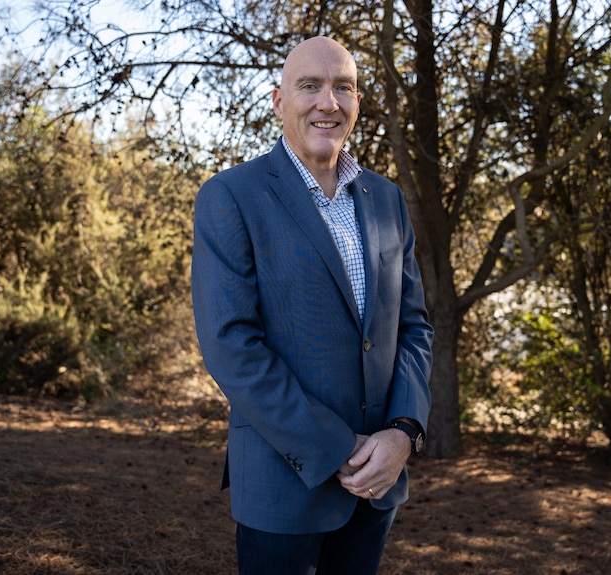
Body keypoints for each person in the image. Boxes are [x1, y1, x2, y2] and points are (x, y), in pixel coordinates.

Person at [191, 35, 433, 575]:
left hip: (377, 485)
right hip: (284, 484)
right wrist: (341, 448)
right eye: (310, 86)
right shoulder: (231, 196)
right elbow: (231, 346)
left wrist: (403, 433)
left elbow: (414, 326)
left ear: (357, 103)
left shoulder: (387, 200)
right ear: (279, 102)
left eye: (343, 87)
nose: (328, 102)